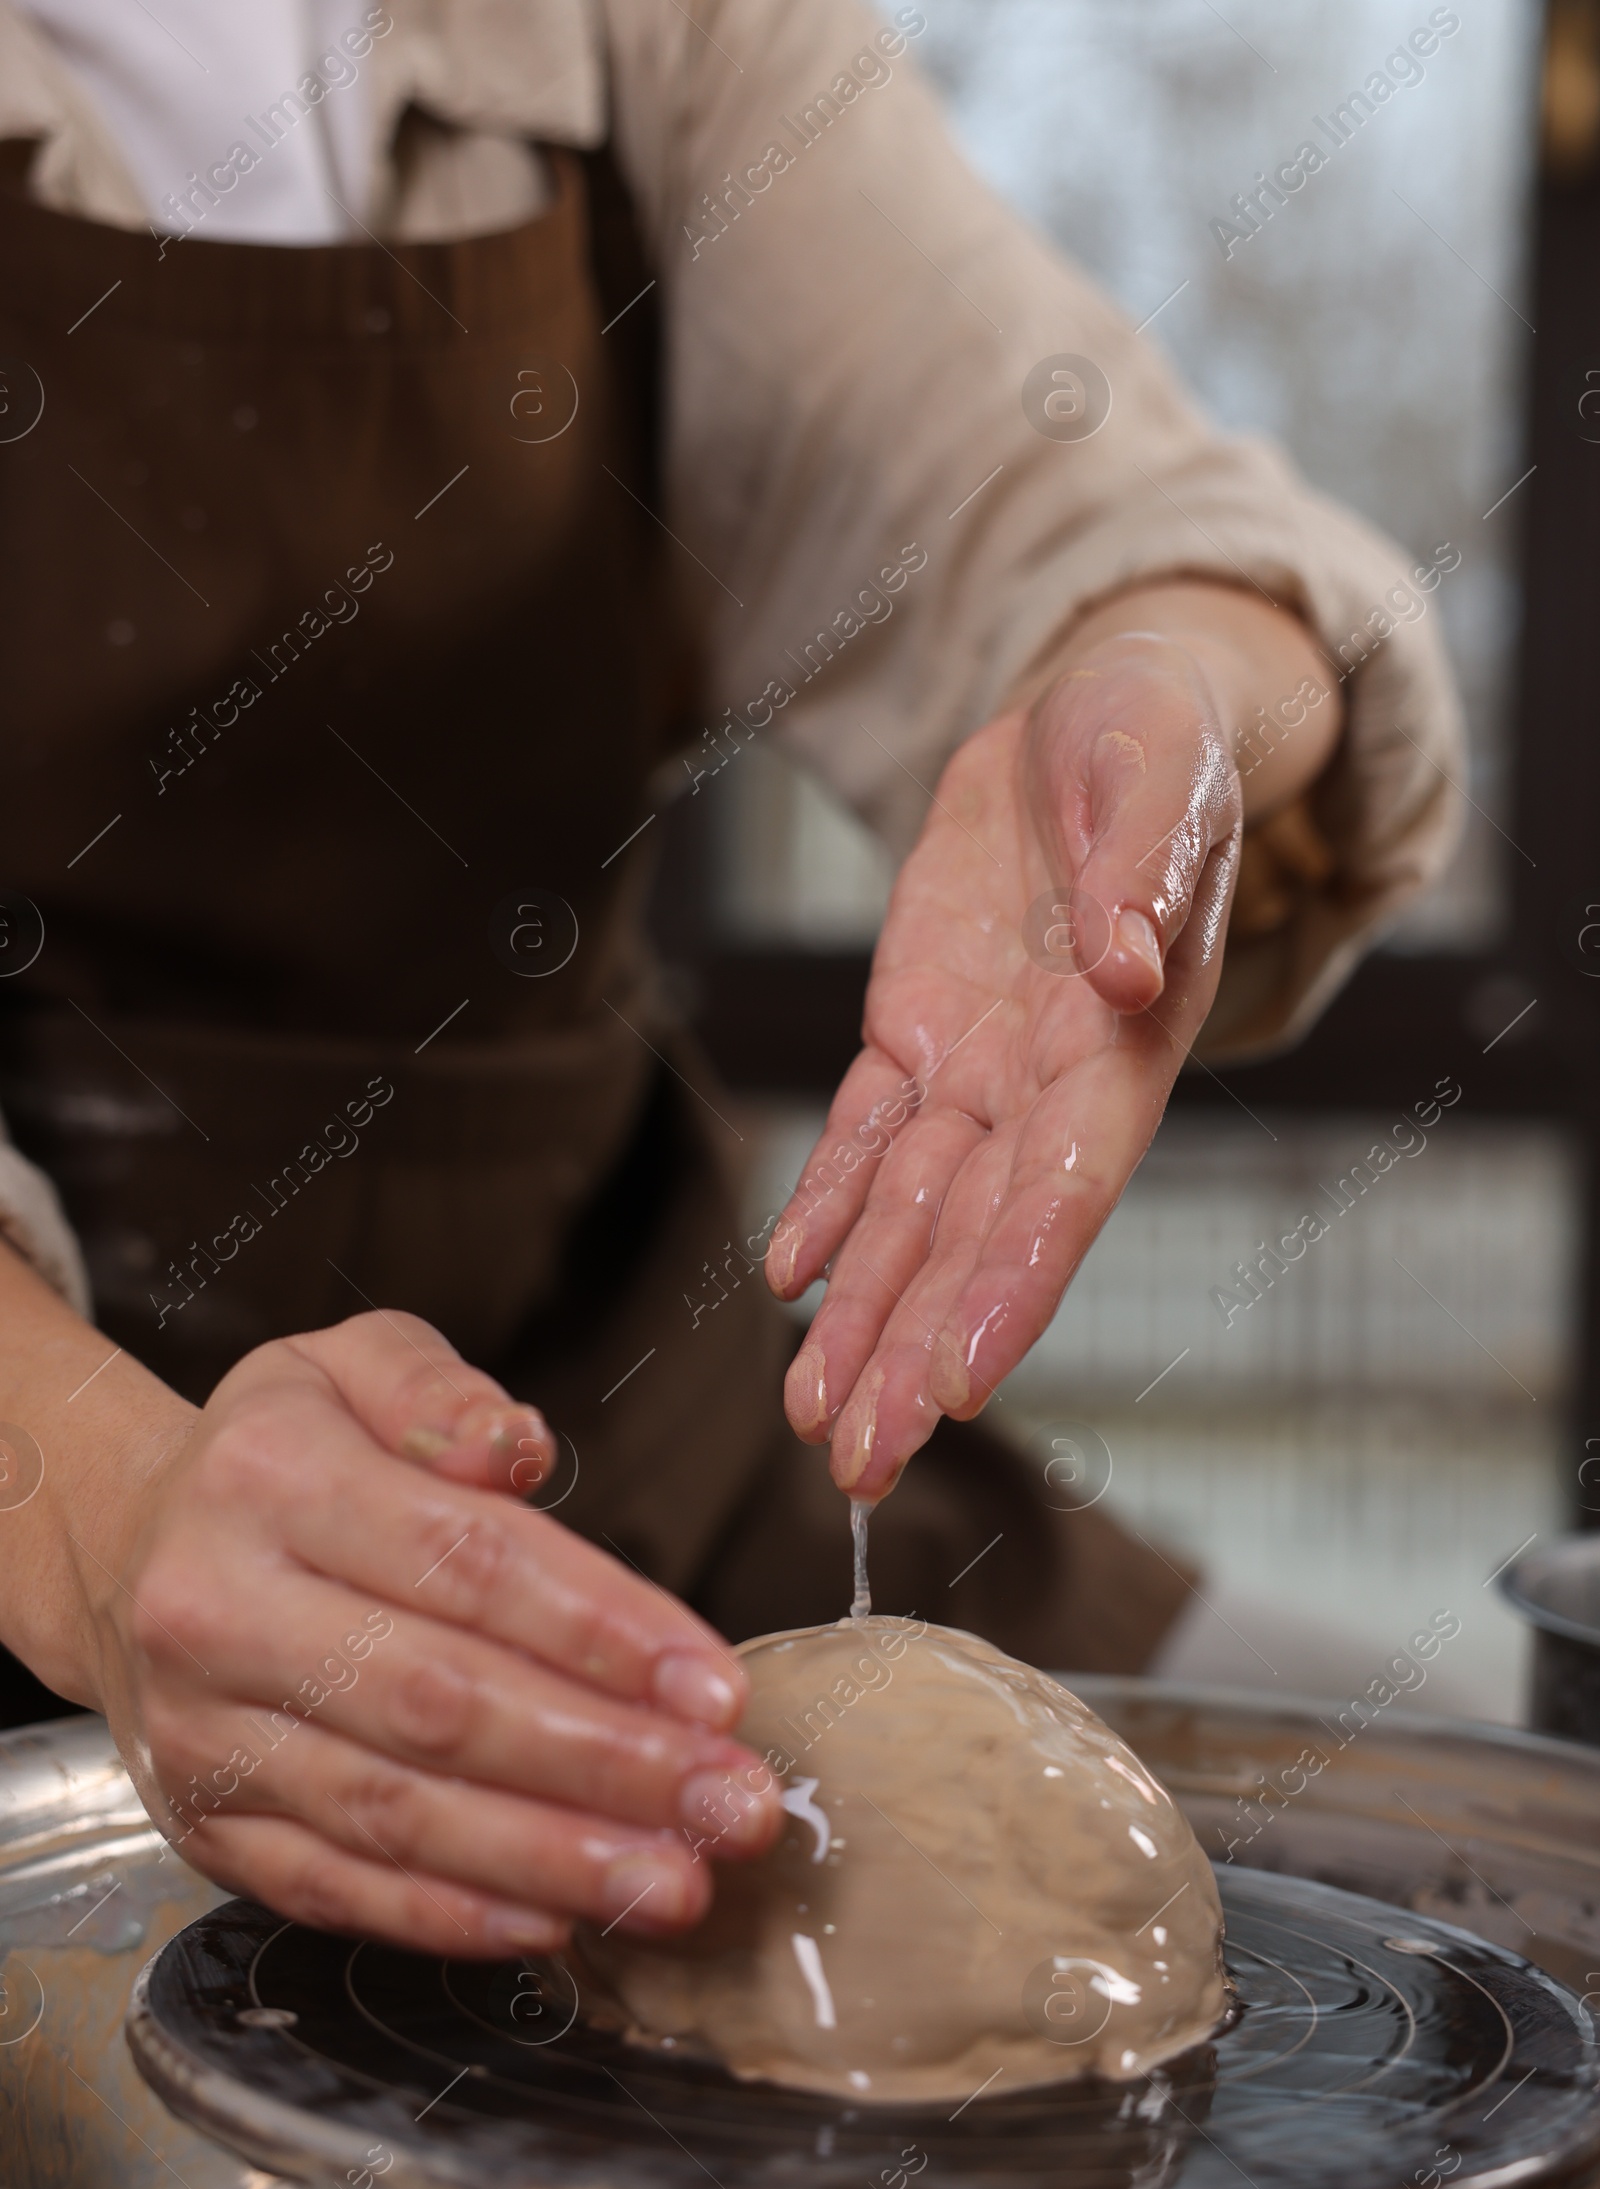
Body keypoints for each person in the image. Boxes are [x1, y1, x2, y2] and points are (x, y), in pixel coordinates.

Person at [0, 0, 1460, 1956]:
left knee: (1444, 1785)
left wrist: (1161, 679)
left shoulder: (639, 31)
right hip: (51, 1541)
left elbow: (1107, 511)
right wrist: (103, 1518)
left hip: (650, 1432)